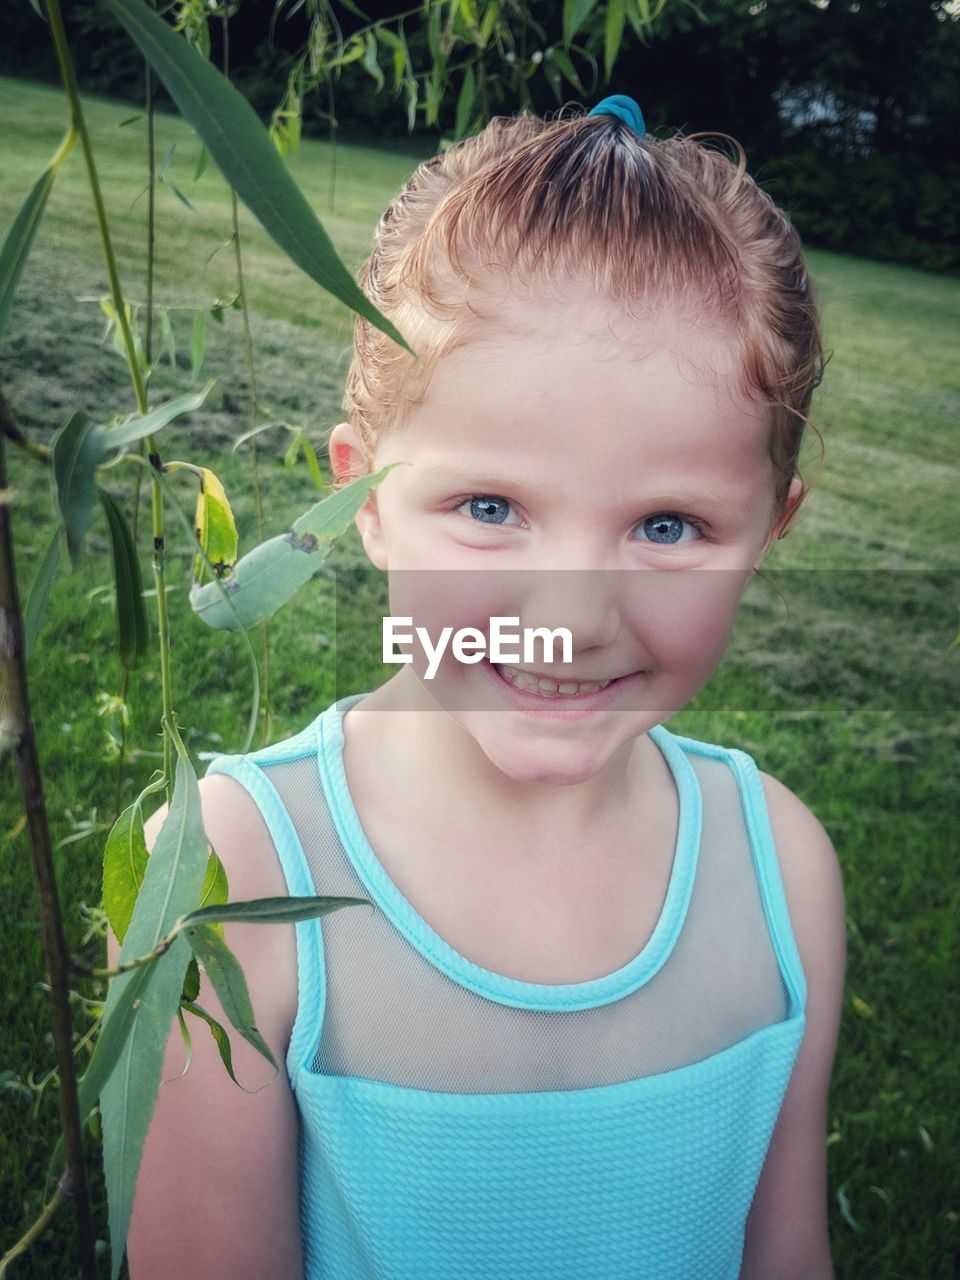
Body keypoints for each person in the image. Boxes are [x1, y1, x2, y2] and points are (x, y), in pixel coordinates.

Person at [127, 98, 846, 1279]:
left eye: (669, 524)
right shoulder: (223, 871)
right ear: (361, 499)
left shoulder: (783, 874)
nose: (572, 619)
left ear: (770, 528)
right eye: (491, 508)